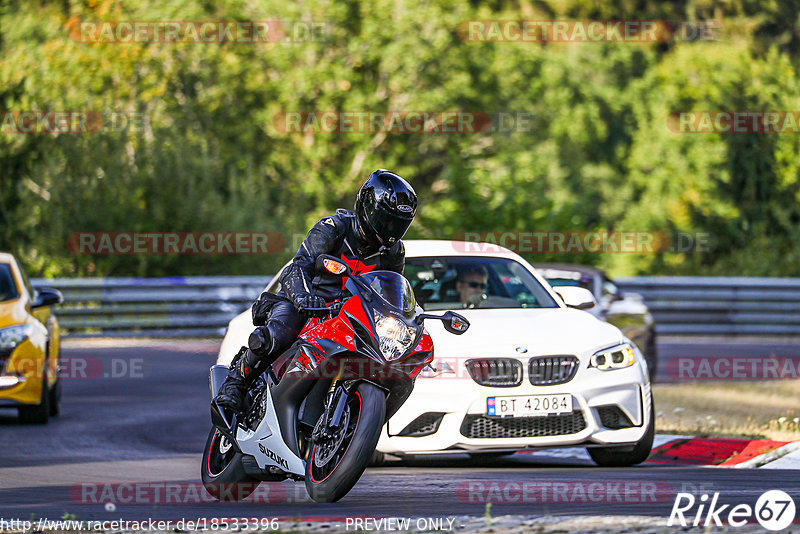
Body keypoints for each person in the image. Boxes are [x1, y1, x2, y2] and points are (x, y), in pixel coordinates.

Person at [214, 170, 417, 412]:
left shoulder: (394, 251)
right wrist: (302, 297)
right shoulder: (334, 227)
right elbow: (299, 265)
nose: (389, 229)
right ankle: (236, 383)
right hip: (305, 301)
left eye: (396, 223)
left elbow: (391, 290)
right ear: (366, 206)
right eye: (385, 220)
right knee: (280, 333)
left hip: (349, 316)